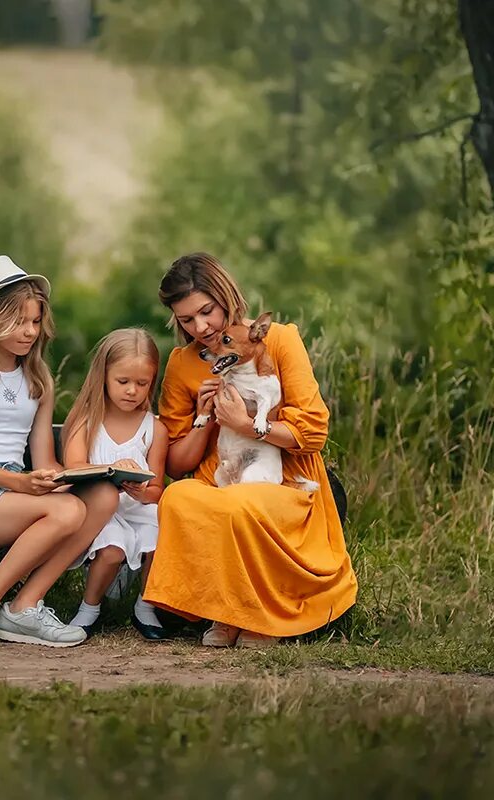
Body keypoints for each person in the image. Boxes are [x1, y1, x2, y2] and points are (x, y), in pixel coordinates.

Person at [142, 252, 359, 647]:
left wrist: (248, 426)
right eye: (187, 320)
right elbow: (176, 462)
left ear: (225, 297)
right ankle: (225, 612)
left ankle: (261, 617)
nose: (201, 327)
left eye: (206, 311)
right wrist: (204, 418)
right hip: (220, 477)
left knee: (242, 503)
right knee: (178, 497)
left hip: (280, 479)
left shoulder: (278, 340)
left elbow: (312, 432)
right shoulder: (182, 364)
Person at [0, 255, 112, 649]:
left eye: (35, 322)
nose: (30, 332)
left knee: (101, 497)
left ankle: (24, 608)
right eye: (19, 322)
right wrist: (22, 484)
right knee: (67, 510)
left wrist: (77, 476)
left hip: (15, 492)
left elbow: (44, 460)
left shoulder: (38, 378)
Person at [60, 329, 170, 640]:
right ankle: (89, 608)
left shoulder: (155, 429)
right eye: (123, 382)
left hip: (138, 506)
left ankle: (145, 605)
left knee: (161, 539)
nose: (132, 391)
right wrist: (111, 471)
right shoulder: (87, 421)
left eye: (142, 383)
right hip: (97, 509)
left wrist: (140, 490)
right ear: (103, 376)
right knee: (111, 550)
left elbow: (157, 488)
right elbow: (74, 467)